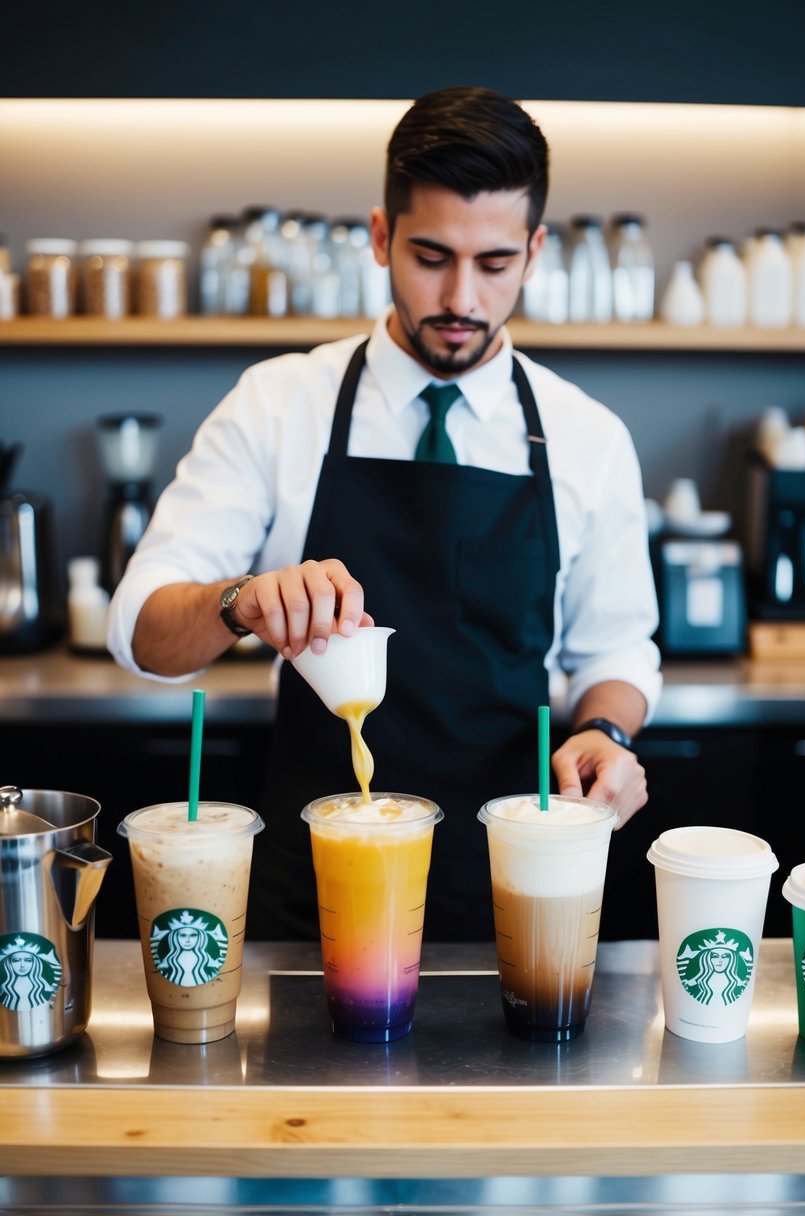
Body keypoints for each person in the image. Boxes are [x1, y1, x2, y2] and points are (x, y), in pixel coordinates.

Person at [109, 85, 661, 941]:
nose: (461, 299)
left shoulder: (587, 437)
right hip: (314, 890)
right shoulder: (278, 403)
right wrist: (241, 601)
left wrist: (603, 730)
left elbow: (616, 648)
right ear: (380, 237)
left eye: (494, 264)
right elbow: (143, 633)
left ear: (535, 250)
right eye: (430, 256)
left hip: (515, 882)